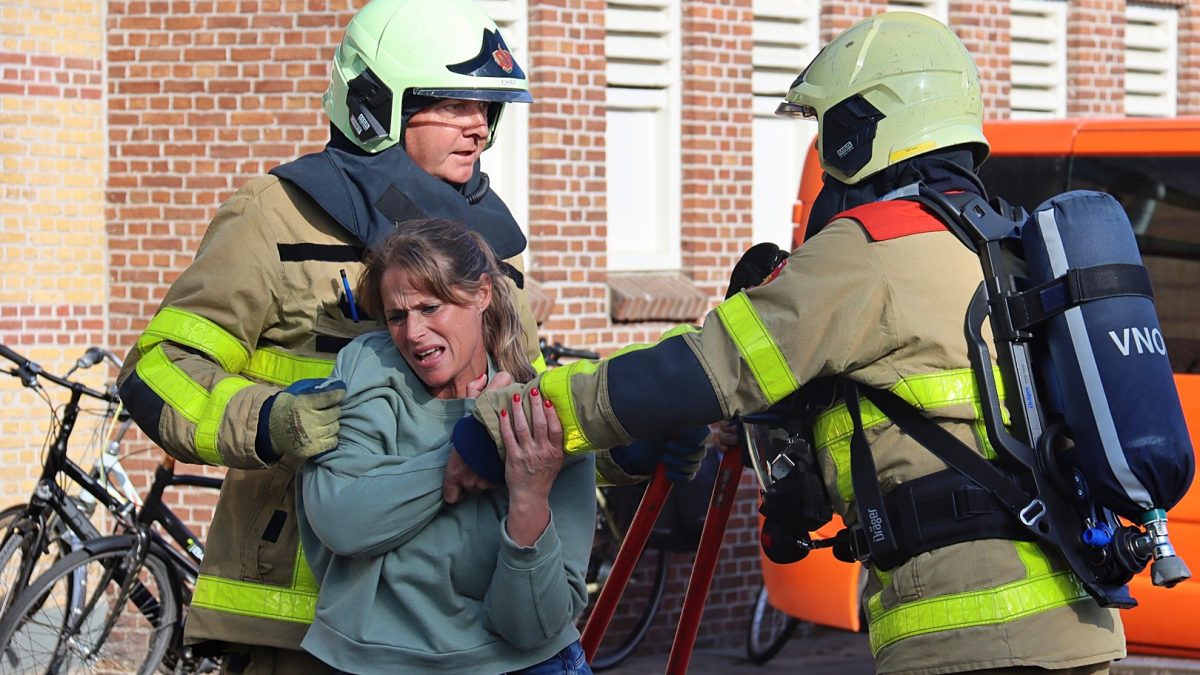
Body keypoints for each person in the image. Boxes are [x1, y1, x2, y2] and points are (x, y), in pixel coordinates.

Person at [453, 12, 1125, 675]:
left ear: (864, 127)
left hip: (977, 635)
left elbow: (703, 367)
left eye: (828, 125)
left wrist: (503, 423)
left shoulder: (870, 249)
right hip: (1078, 623)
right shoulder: (1002, 241)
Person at [116, 0, 549, 670]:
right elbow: (158, 368)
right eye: (452, 103)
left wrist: (628, 440)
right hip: (303, 627)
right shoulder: (274, 219)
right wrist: (269, 419)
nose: (479, 129)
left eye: (486, 108)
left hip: (450, 622)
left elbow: (528, 403)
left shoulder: (487, 247)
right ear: (377, 102)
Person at [296, 220, 594, 674]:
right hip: (376, 663)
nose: (412, 332)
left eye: (430, 307)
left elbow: (533, 628)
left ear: (482, 295)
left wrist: (529, 497)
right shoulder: (368, 368)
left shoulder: (538, 418)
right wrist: (462, 454)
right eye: (397, 315)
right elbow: (343, 522)